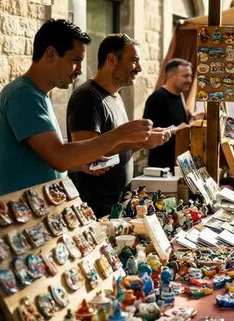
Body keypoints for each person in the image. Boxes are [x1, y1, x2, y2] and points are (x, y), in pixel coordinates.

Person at [0, 19, 151, 197]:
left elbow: (45, 157)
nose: (80, 70)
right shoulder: (23, 95)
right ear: (51, 54)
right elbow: (59, 157)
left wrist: (78, 164)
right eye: (75, 60)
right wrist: (121, 133)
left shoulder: (38, 95)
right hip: (22, 214)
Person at [67, 34, 170, 218]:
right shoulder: (87, 98)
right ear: (111, 59)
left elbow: (117, 148)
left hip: (116, 206)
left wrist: (143, 141)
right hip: (95, 209)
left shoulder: (115, 96)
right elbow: (89, 156)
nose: (139, 68)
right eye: (134, 61)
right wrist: (139, 140)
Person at [143, 58, 193, 170]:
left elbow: (179, 122)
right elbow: (147, 133)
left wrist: (193, 118)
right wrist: (175, 130)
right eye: (185, 76)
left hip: (179, 163)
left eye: (190, 75)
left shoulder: (180, 95)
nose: (190, 80)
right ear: (170, 76)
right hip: (162, 167)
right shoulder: (157, 98)